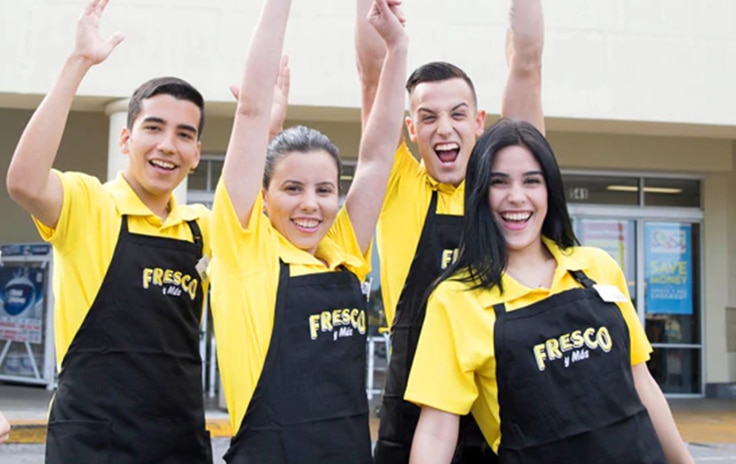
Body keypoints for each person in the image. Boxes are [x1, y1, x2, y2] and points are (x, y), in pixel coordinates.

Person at [406, 118, 695, 464]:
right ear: (480, 193)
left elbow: (642, 383)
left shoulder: (597, 268)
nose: (517, 197)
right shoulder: (455, 300)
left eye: (532, 181)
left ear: (550, 191)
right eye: (499, 183)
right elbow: (437, 430)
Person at [6, 1, 213, 462]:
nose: (167, 146)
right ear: (126, 139)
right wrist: (78, 63)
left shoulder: (202, 228)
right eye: (153, 128)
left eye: (184, 135)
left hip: (179, 441)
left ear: (197, 153)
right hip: (92, 443)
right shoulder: (88, 202)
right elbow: (23, 181)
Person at [208, 0, 407, 462]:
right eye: (292, 188)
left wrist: (398, 50)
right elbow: (252, 113)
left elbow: (379, 155)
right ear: (264, 195)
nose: (311, 204)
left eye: (325, 189)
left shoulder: (343, 250)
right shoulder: (245, 252)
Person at [355, 0, 545, 461]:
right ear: (411, 129)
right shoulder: (396, 181)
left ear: (480, 124)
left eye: (458, 114)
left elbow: (526, 63)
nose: (444, 128)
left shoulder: (503, 187)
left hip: (499, 400)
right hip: (412, 401)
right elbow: (371, 75)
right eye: (428, 117)